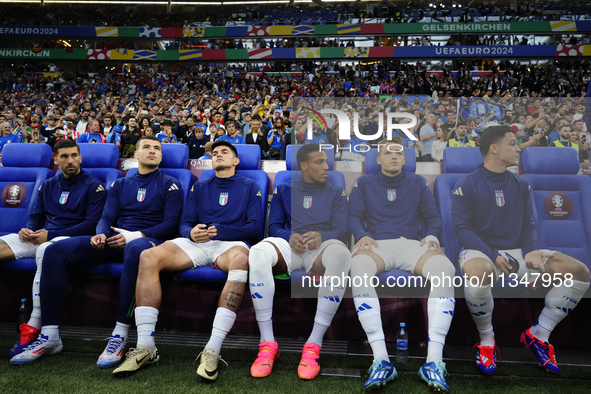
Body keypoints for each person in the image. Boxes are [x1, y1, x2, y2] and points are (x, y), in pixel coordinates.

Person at [10, 136, 184, 366]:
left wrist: (134, 235)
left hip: (149, 240)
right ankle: (50, 335)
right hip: (114, 239)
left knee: (135, 249)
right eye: (146, 147)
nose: (152, 151)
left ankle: (119, 334)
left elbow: (171, 223)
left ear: (161, 156)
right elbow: (106, 217)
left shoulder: (171, 183)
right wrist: (101, 233)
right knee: (52, 251)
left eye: (157, 148)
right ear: (136, 154)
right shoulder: (120, 184)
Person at [113, 140, 264, 380]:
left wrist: (222, 231)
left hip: (229, 242)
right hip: (197, 241)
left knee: (241, 261)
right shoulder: (200, 186)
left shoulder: (250, 185)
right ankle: (145, 347)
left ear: (236, 160)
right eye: (214, 153)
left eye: (225, 152)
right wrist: (190, 233)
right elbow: (184, 223)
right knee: (148, 255)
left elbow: (255, 229)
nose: (219, 155)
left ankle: (212, 350)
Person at [451, 125, 590, 376]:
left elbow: (528, 223)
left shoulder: (521, 184)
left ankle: (539, 334)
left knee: (578, 271)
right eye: (513, 143)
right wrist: (494, 254)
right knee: (479, 271)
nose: (518, 148)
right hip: (480, 252)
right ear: (494, 148)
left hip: (517, 252)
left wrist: (531, 251)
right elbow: (462, 229)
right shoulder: (467, 183)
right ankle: (487, 341)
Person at [349, 136, 456, 392]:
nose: (394, 156)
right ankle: (381, 359)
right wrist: (361, 234)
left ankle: (433, 361)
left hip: (412, 244)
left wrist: (432, 235)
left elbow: (432, 216)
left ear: (405, 159)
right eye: (388, 153)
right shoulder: (363, 183)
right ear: (379, 159)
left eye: (398, 153)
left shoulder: (418, 182)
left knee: (445, 270)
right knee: (358, 269)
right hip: (376, 244)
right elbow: (352, 215)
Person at [249, 144, 350, 380]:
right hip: (291, 246)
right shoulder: (284, 189)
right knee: (257, 252)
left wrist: (323, 236)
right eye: (319, 162)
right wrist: (289, 236)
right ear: (304, 166)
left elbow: (342, 231)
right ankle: (267, 344)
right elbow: (273, 227)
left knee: (343, 254)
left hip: (320, 249)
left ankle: (313, 345)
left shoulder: (336, 192)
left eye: (326, 162)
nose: (326, 167)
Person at [3, 140, 106, 357]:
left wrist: (51, 235)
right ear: (55, 159)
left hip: (70, 240)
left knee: (45, 250)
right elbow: (36, 215)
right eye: (65, 156)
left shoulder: (94, 185)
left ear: (80, 157)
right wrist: (28, 230)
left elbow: (91, 224)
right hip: (43, 236)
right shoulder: (48, 183)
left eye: (74, 155)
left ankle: (33, 326)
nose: (71, 160)